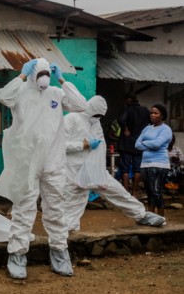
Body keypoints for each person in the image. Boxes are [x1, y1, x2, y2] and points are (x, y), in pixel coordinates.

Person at [0, 58, 86, 279]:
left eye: (47, 72)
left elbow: (81, 106)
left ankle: (59, 251)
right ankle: (17, 255)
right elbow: (3, 97)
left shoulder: (56, 93)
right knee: (24, 208)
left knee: (55, 207)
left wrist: (62, 79)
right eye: (41, 72)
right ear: (32, 72)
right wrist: (22, 75)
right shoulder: (20, 91)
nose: (43, 76)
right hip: (27, 162)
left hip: (53, 161)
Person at [62, 96, 165, 231]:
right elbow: (59, 144)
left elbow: (100, 147)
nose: (97, 117)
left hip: (95, 170)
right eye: (96, 114)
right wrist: (83, 145)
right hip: (74, 172)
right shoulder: (71, 119)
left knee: (118, 192)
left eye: (100, 115)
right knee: (74, 203)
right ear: (90, 108)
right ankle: (67, 233)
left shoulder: (95, 122)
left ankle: (141, 215)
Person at [136, 104, 173, 215]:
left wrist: (144, 143)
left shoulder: (166, 129)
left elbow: (157, 144)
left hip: (159, 164)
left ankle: (161, 217)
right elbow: (137, 144)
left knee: (156, 191)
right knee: (149, 192)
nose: (152, 115)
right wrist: (149, 144)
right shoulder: (147, 128)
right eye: (151, 112)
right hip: (145, 164)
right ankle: (151, 216)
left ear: (162, 116)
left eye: (155, 113)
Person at [117, 93, 150, 196]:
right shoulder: (145, 110)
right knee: (137, 168)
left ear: (129, 100)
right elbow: (151, 123)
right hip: (140, 143)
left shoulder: (128, 109)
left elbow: (121, 120)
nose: (124, 102)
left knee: (125, 168)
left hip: (127, 143)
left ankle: (126, 192)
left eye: (125, 100)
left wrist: (126, 129)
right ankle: (134, 192)